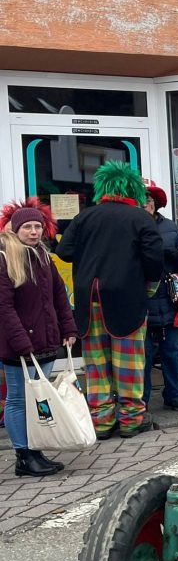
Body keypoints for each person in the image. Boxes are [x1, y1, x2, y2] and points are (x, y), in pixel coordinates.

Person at [55, 161, 163, 439]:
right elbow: (154, 263)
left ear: (102, 187)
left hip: (89, 300)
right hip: (127, 298)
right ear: (133, 189)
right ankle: (130, 421)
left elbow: (64, 251)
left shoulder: (85, 217)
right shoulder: (141, 218)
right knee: (128, 363)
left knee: (96, 363)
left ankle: (101, 422)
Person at [0, 199, 76, 476]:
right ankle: (23, 455)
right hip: (18, 347)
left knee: (40, 398)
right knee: (19, 399)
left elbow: (59, 295)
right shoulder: (6, 257)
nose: (33, 232)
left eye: (37, 226)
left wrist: (68, 329)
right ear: (16, 229)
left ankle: (36, 449)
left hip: (44, 343)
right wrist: (21, 342)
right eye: (28, 227)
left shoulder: (43, 255)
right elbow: (4, 307)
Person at [143, 184, 178, 413]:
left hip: (170, 298)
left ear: (156, 203)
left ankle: (174, 394)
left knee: (171, 351)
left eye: (149, 200)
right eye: (141, 200)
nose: (145, 203)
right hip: (143, 301)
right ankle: (141, 401)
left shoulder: (171, 228)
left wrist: (176, 254)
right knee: (144, 356)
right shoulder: (130, 227)